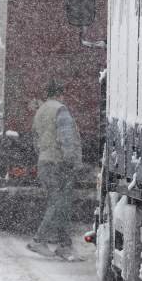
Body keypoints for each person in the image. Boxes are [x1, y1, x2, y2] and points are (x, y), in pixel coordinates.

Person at [27, 79, 82, 260]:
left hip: (45, 162)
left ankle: (65, 246)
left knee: (60, 203)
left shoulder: (40, 111)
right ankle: (39, 240)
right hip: (59, 164)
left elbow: (35, 139)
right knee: (58, 203)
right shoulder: (61, 110)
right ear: (60, 94)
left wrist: (44, 154)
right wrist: (71, 161)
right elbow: (66, 138)